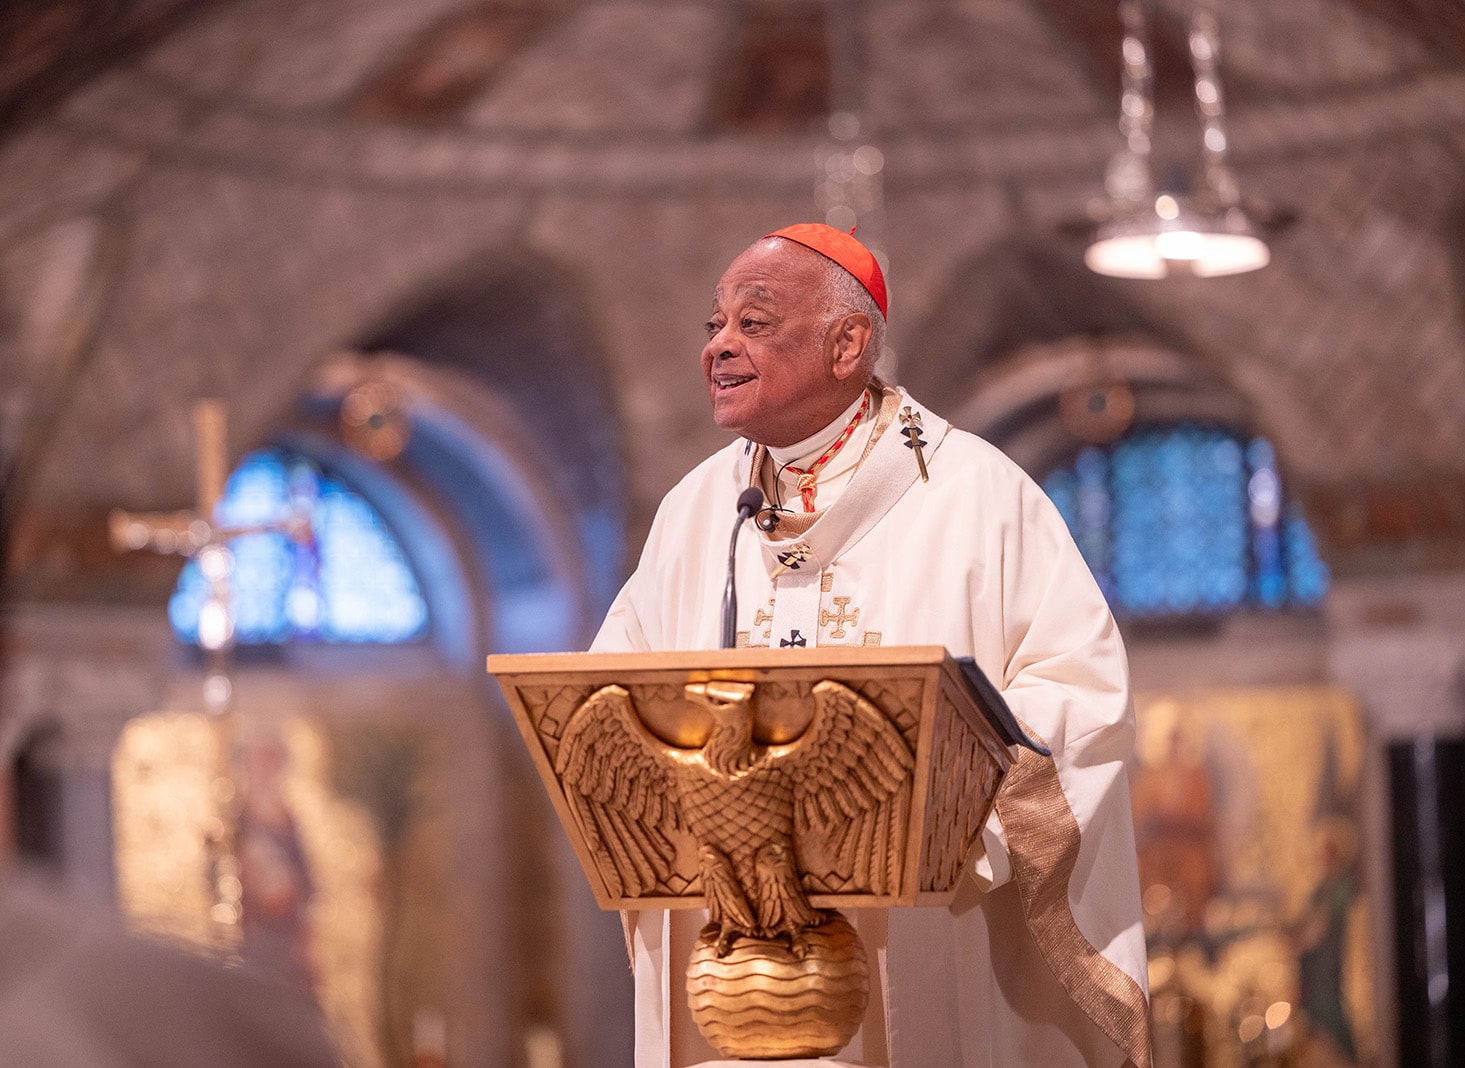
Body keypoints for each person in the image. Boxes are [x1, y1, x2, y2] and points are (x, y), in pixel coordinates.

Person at [592, 223, 1151, 1067]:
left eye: (753, 322)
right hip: (734, 945)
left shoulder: (977, 496)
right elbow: (612, 693)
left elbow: (1079, 692)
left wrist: (941, 817)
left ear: (847, 342)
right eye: (713, 327)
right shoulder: (697, 509)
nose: (720, 348)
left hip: (918, 924)